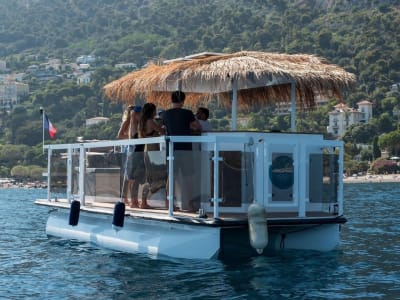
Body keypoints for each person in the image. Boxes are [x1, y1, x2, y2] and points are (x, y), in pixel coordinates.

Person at [162, 91, 201, 211]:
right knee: (188, 176)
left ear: (171, 100)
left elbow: (166, 128)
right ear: (183, 101)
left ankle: (168, 203)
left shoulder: (165, 114)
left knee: (171, 177)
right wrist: (189, 126)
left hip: (171, 148)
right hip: (185, 148)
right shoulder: (187, 113)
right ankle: (189, 204)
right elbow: (198, 127)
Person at [138, 103, 166, 208]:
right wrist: (163, 127)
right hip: (152, 149)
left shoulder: (143, 122)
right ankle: (144, 201)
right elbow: (161, 131)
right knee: (155, 175)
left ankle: (144, 201)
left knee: (150, 176)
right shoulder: (150, 121)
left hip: (147, 149)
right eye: (154, 110)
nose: (155, 112)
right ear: (151, 111)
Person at [117, 105, 144, 208]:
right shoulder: (127, 122)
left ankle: (131, 199)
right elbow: (119, 135)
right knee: (129, 176)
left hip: (134, 149)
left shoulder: (138, 123)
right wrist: (130, 138)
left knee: (130, 176)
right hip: (129, 149)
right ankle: (126, 198)